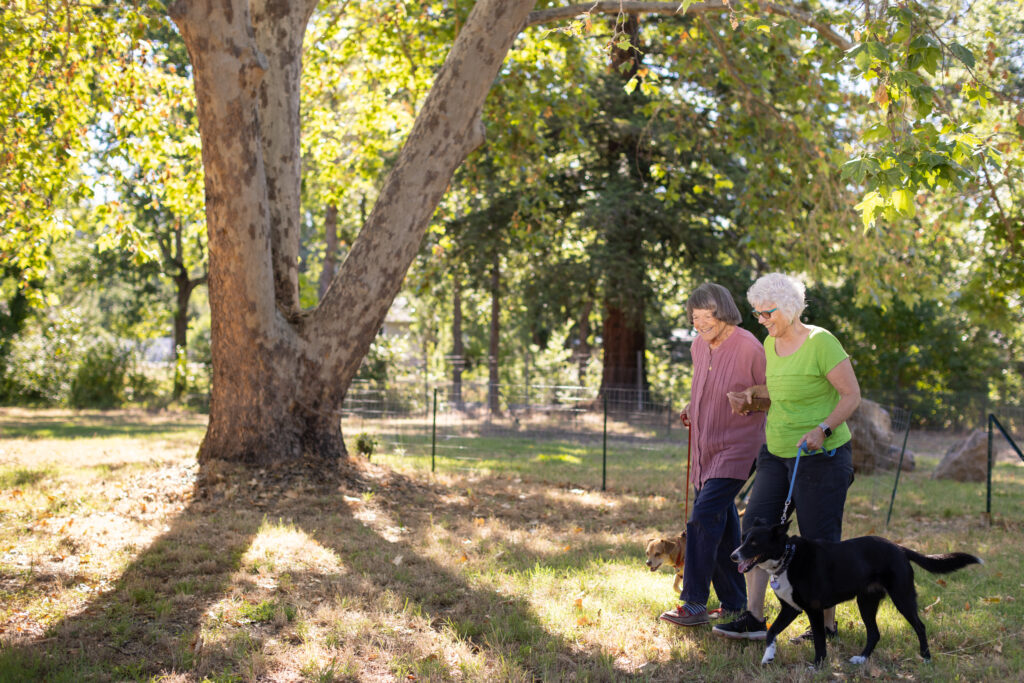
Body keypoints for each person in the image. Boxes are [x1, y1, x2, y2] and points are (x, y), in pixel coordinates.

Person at [712, 272, 860, 642]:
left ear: (790, 309)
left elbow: (851, 396)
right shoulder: (769, 343)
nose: (761, 320)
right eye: (757, 313)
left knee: (818, 539)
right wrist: (751, 398)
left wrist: (822, 430)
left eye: (767, 313)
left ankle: (826, 626)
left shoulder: (821, 342)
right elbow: (779, 391)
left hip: (820, 457)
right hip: (776, 453)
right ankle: (754, 617)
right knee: (756, 529)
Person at [659, 283, 767, 627]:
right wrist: (693, 405)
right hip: (705, 448)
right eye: (695, 317)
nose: (700, 323)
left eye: (707, 316)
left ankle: (693, 601)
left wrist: (750, 398)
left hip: (737, 447)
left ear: (723, 312)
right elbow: (704, 386)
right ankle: (735, 601)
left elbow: (774, 393)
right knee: (721, 525)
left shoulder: (749, 346)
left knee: (702, 517)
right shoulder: (697, 345)